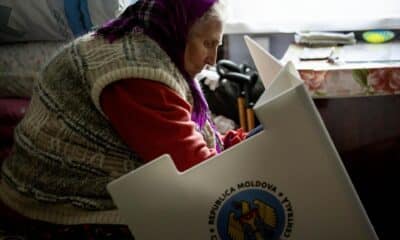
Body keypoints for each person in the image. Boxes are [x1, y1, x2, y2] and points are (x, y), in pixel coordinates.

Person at [0, 0, 253, 238]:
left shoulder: (148, 47)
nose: (213, 59)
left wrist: (246, 141)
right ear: (179, 29)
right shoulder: (139, 75)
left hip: (43, 196)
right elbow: (199, 169)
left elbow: (189, 135)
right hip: (54, 208)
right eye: (209, 44)